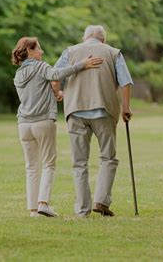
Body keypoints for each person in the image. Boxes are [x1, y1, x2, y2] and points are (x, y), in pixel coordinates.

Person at [12, 36, 103, 217]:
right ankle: (43, 203)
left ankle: (33, 209)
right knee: (48, 164)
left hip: (23, 124)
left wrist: (55, 94)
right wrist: (82, 65)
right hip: (43, 121)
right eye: (38, 48)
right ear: (29, 51)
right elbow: (57, 75)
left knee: (31, 166)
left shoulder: (18, 74)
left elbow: (35, 92)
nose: (42, 51)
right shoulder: (41, 66)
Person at [54, 25, 133, 217]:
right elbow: (126, 82)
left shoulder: (70, 51)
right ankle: (101, 201)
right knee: (108, 157)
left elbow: (55, 78)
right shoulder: (113, 52)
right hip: (104, 111)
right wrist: (125, 108)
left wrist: (59, 93)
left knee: (79, 163)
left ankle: (82, 210)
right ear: (103, 40)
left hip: (75, 111)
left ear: (85, 38)